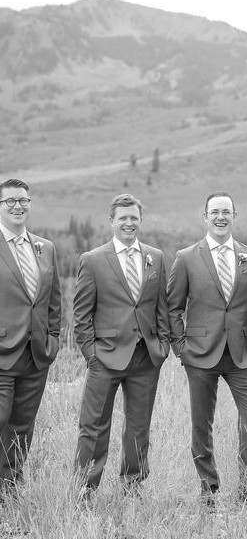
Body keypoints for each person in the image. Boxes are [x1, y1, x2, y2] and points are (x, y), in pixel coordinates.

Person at [167, 191, 247, 505]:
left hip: (243, 353)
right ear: (206, 217)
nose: (220, 217)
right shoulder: (186, 257)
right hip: (199, 353)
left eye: (226, 211)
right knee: (202, 424)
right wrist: (181, 347)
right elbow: (173, 308)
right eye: (215, 212)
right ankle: (208, 489)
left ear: (234, 216)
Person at [73, 194, 169, 495]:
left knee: (139, 426)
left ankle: (133, 485)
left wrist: (162, 346)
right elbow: (81, 315)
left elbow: (162, 307)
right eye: (123, 218)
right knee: (94, 425)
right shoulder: (92, 260)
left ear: (141, 221)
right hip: (105, 356)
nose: (129, 223)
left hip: (145, 357)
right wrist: (92, 355)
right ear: (111, 221)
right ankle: (85, 488)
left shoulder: (156, 257)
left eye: (134, 218)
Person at [0, 179, 61, 499]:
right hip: (2, 352)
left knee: (23, 425)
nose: (17, 206)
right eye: (10, 201)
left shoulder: (45, 247)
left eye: (23, 200)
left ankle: (10, 487)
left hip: (36, 353)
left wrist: (52, 339)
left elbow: (54, 301)